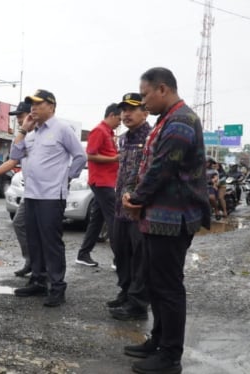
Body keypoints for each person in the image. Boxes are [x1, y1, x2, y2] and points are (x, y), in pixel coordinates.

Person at [122, 67, 210, 374]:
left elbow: (162, 169)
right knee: (155, 284)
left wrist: (136, 199)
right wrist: (136, 196)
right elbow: (148, 166)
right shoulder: (166, 120)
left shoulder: (182, 121)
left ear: (162, 89)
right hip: (157, 217)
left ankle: (171, 355)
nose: (143, 102)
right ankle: (158, 340)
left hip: (173, 219)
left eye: (145, 94)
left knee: (168, 287)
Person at [10, 89, 87, 307]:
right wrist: (23, 130)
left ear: (51, 106)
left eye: (38, 104)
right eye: (31, 105)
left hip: (52, 196)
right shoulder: (32, 134)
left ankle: (57, 287)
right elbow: (15, 156)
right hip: (32, 194)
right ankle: (38, 280)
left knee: (51, 242)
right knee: (34, 241)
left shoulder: (62, 129)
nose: (33, 108)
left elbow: (80, 156)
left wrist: (67, 177)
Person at [107, 93, 151, 321]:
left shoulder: (152, 137)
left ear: (145, 112)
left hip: (138, 209)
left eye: (132, 109)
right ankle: (125, 292)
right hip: (119, 207)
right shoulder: (123, 139)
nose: (126, 114)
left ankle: (138, 304)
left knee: (140, 257)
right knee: (121, 252)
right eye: (124, 109)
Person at [0, 101, 33, 277]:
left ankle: (43, 271)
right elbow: (13, 160)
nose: (19, 120)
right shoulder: (23, 136)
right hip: (29, 192)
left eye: (20, 116)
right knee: (20, 223)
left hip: (45, 193)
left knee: (41, 231)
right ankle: (31, 261)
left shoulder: (40, 134)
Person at [75, 103, 121, 267]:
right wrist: (114, 159)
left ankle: (83, 254)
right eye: (119, 120)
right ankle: (119, 259)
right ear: (112, 115)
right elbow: (90, 155)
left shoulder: (109, 133)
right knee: (113, 219)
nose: (120, 123)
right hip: (101, 182)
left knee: (97, 219)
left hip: (107, 181)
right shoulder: (99, 131)